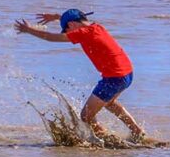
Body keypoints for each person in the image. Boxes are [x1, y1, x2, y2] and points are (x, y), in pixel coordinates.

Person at [15, 9, 146, 142]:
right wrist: (56, 17)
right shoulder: (97, 26)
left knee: (85, 116)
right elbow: (76, 20)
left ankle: (105, 138)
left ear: (71, 25)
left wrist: (29, 30)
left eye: (67, 30)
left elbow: (51, 37)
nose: (68, 34)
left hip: (114, 78)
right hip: (127, 73)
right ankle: (136, 131)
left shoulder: (83, 33)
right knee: (110, 103)